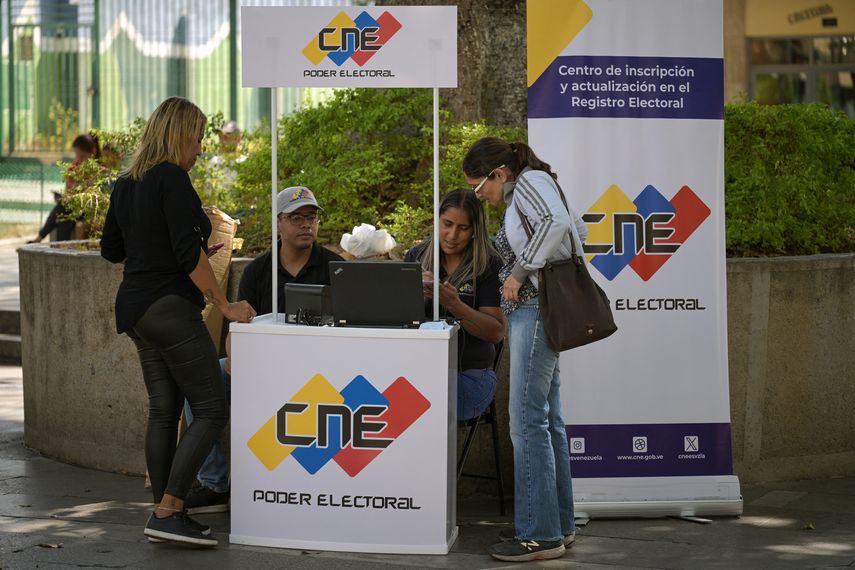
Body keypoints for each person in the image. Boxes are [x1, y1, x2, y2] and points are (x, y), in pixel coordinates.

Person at [100, 96, 256, 547]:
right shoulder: (173, 180)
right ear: (180, 135)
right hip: (169, 308)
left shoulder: (127, 182)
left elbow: (112, 249)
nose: (201, 149)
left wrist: (152, 257)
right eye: (198, 138)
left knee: (164, 411)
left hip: (135, 309)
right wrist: (225, 305)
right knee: (210, 408)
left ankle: (163, 510)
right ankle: (170, 510)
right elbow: (190, 256)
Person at [181, 185, 344, 514]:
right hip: (265, 367)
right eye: (296, 218)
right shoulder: (258, 270)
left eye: (311, 218)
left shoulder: (335, 267)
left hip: (323, 371)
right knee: (199, 381)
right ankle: (215, 485)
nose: (306, 225)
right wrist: (234, 356)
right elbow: (237, 329)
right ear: (279, 223)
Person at [463, 137, 589, 563]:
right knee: (547, 419)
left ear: (499, 174)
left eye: (482, 189)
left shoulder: (530, 181)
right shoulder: (534, 186)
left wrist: (519, 274)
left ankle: (539, 534)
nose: (485, 198)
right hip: (540, 308)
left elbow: (556, 222)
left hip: (534, 308)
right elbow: (577, 229)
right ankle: (558, 524)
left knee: (526, 421)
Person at [404, 188, 506, 420]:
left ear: (474, 231)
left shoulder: (489, 264)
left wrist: (456, 305)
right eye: (447, 224)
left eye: (462, 228)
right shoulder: (417, 257)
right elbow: (398, 321)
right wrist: (418, 298)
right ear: (437, 221)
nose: (452, 235)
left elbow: (496, 332)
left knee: (417, 408)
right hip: (419, 371)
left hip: (470, 374)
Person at [28, 134, 100, 243]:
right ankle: (61, 251)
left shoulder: (98, 169)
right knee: (64, 218)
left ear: (93, 152)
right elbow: (68, 190)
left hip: (87, 210)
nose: (79, 160)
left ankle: (40, 238)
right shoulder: (74, 167)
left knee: (63, 207)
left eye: (82, 156)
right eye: (77, 156)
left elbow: (94, 198)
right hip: (72, 208)